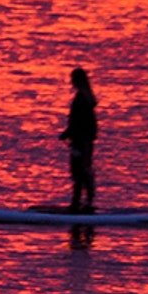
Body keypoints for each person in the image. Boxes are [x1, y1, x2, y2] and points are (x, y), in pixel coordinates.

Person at [59, 67, 98, 213]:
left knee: (79, 172)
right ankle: (85, 202)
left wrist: (68, 134)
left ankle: (78, 204)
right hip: (84, 141)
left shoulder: (81, 99)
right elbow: (85, 124)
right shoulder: (86, 98)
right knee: (83, 171)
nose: (71, 81)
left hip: (80, 142)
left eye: (73, 79)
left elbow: (78, 122)